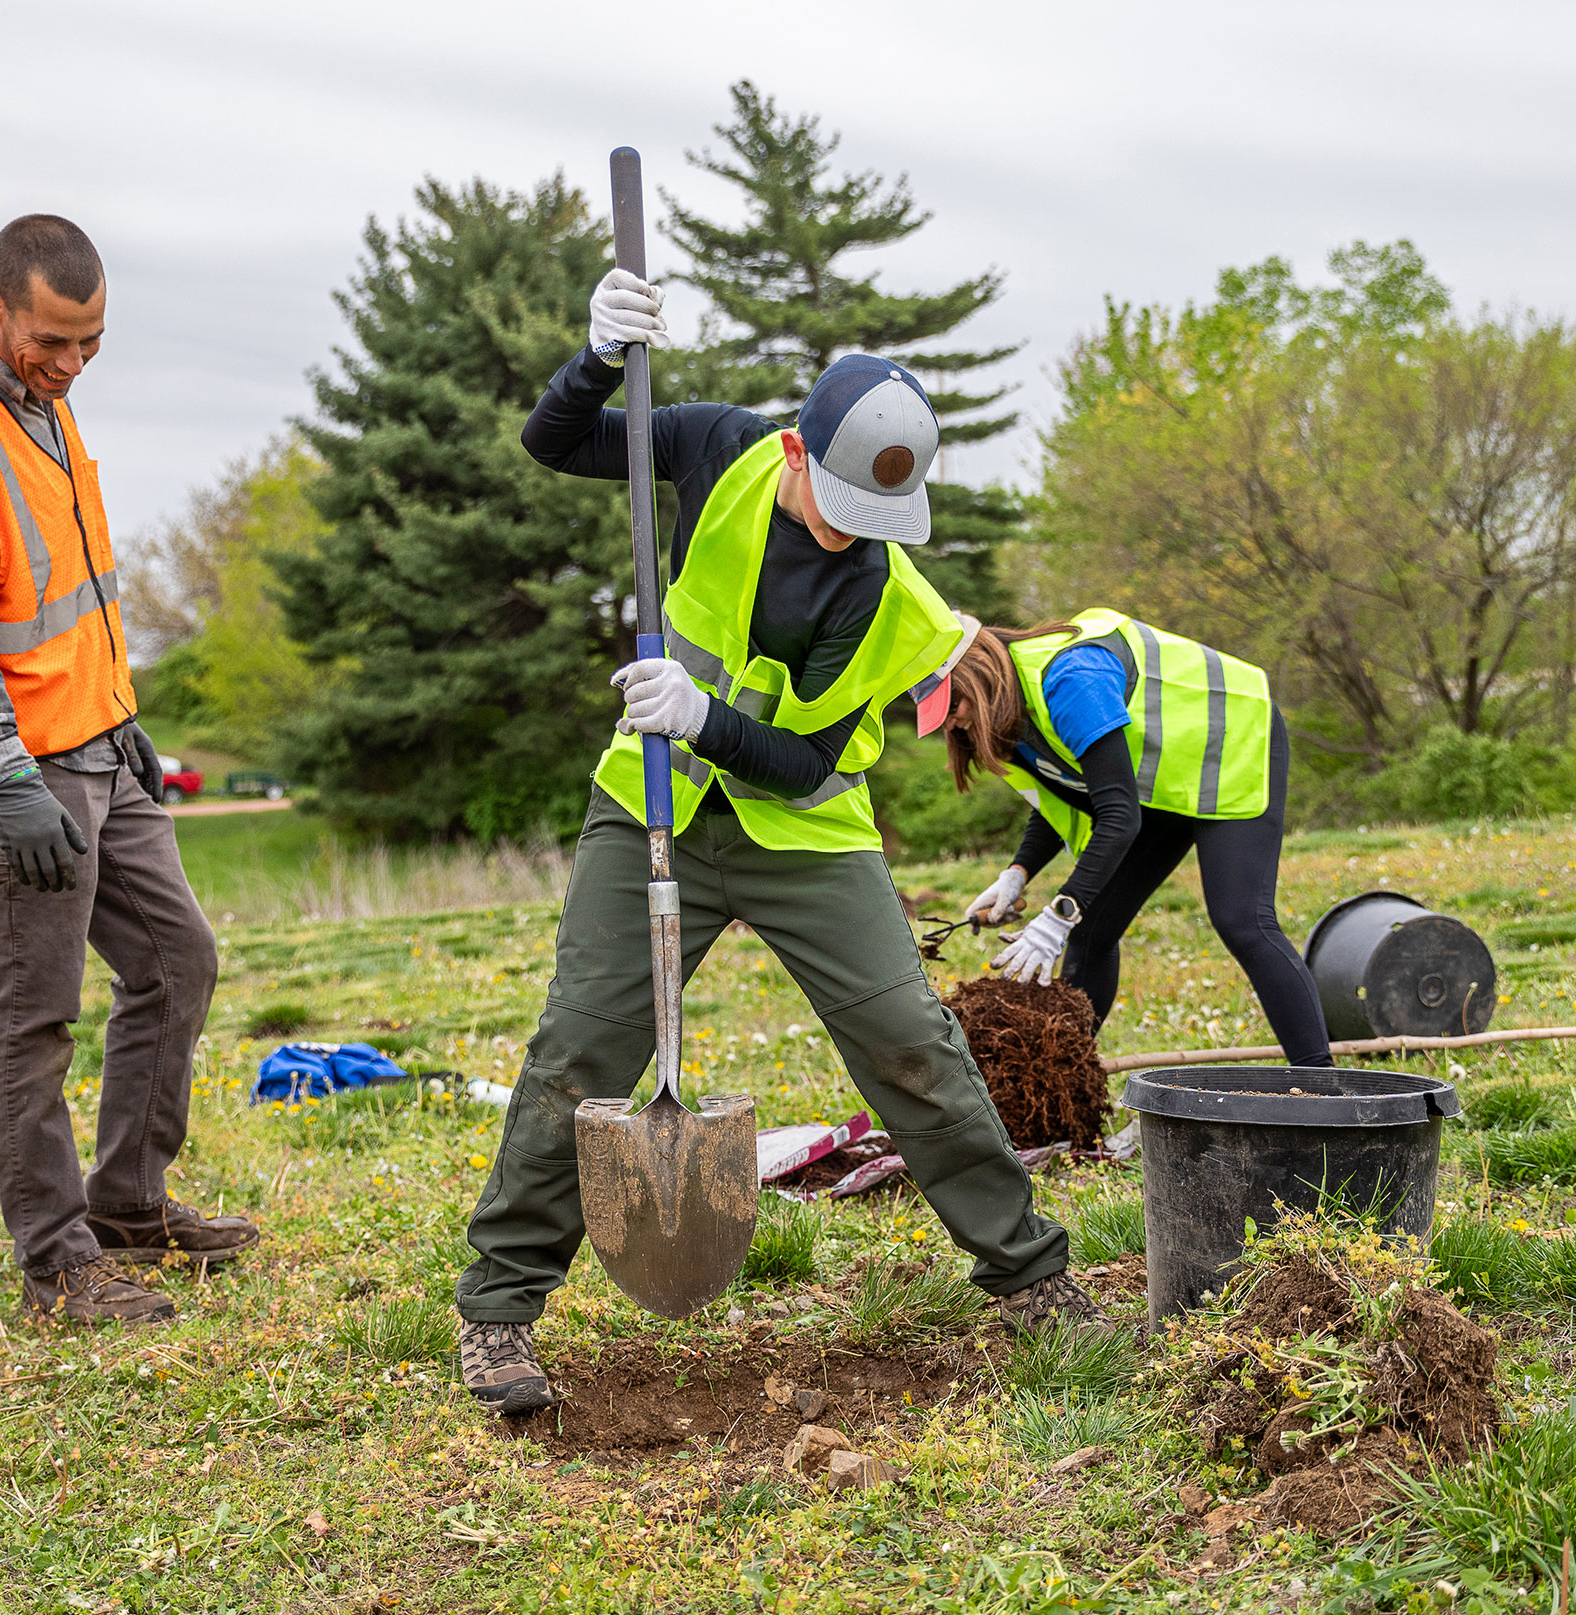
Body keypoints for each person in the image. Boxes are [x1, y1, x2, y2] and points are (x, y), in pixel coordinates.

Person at [454, 267, 1097, 1416]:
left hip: (802, 831)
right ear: (796, 451)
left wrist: (701, 717)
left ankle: (1029, 1273)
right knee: (579, 1050)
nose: (856, 535)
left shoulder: (887, 598)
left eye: (879, 520)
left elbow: (801, 763)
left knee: (910, 1040)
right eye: (840, 503)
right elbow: (557, 443)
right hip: (650, 803)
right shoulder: (721, 449)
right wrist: (594, 358)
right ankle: (498, 1309)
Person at [0, 214, 253, 1327]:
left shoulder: (43, 404)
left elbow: (68, 595)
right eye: (51, 340)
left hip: (99, 747)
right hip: (19, 774)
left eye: (91, 342)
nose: (73, 363)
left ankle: (128, 1203)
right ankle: (56, 1266)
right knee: (32, 1017)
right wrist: (7, 779)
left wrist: (121, 715)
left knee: (177, 961)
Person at [923, 614, 1332, 1069]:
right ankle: (1064, 1079)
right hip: (1160, 781)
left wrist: (1058, 914)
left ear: (977, 669)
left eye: (952, 703)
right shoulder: (1014, 713)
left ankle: (1321, 1083)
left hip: (1231, 740)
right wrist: (1017, 873)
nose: (953, 723)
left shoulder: (1071, 681)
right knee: (1092, 928)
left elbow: (1118, 816)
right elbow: (1064, 792)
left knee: (1242, 921)